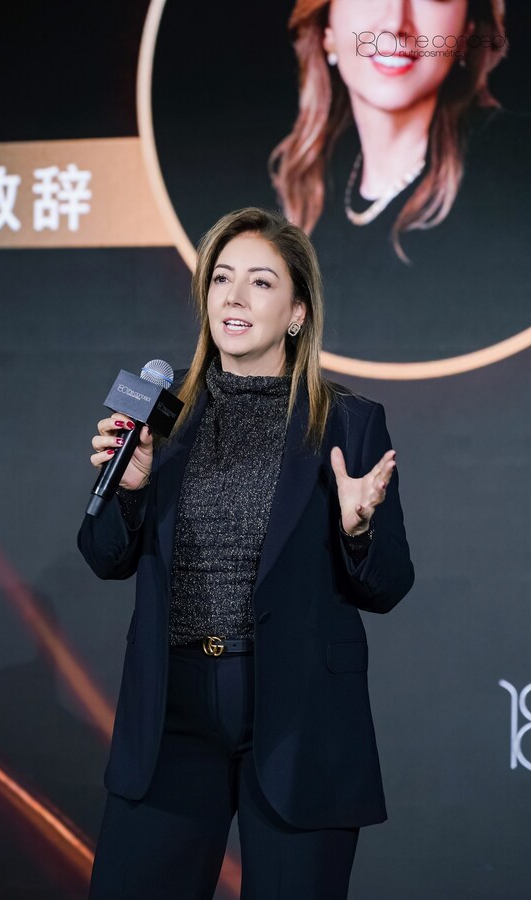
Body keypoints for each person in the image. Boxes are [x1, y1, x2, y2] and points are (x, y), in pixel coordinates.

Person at [78, 207, 414, 899]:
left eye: (260, 282)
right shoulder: (159, 410)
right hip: (171, 716)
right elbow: (103, 555)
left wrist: (357, 529)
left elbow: (388, 585)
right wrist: (130, 490)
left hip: (297, 718)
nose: (234, 297)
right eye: (221, 278)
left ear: (297, 312)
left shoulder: (348, 422)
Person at [270, 0, 530, 363]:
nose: (396, 24)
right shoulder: (311, 192)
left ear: (467, 30)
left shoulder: (514, 168)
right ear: (326, 29)